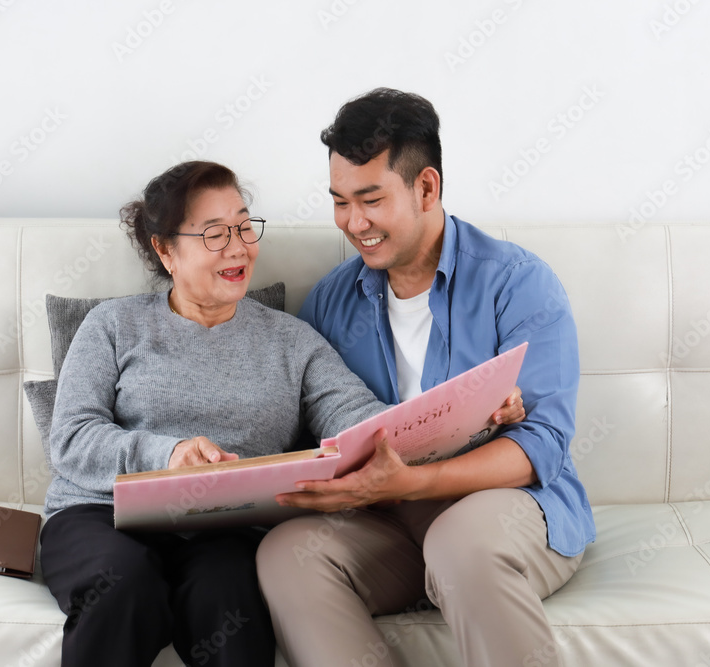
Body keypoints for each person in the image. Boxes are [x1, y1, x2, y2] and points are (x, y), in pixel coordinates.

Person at [38, 161, 523, 667]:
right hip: (104, 516)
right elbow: (72, 437)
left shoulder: (291, 340)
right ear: (165, 250)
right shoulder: (113, 325)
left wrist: (474, 418)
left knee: (231, 602)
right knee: (125, 588)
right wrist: (170, 453)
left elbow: (358, 420)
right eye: (213, 233)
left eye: (244, 227)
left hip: (222, 528)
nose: (238, 247)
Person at [257, 88, 597, 667]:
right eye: (339, 201)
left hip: (505, 509)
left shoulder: (518, 284)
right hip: (387, 523)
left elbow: (539, 448)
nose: (353, 222)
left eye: (370, 199)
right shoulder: (332, 302)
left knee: (458, 543)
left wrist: (412, 482)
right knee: (286, 553)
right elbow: (305, 428)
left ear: (427, 188)